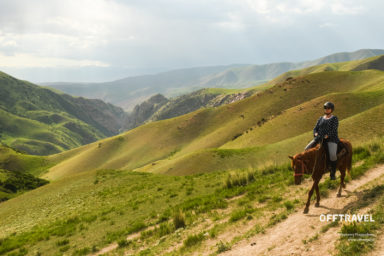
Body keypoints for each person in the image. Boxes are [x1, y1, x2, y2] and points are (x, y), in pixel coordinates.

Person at [304, 102, 340, 180]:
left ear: (331, 109)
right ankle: (309, 168)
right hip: (318, 138)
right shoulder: (320, 118)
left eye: (328, 108)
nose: (326, 110)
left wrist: (327, 135)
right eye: (325, 108)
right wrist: (315, 133)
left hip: (331, 139)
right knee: (306, 149)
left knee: (333, 155)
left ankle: (332, 173)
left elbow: (334, 130)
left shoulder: (334, 118)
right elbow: (315, 128)